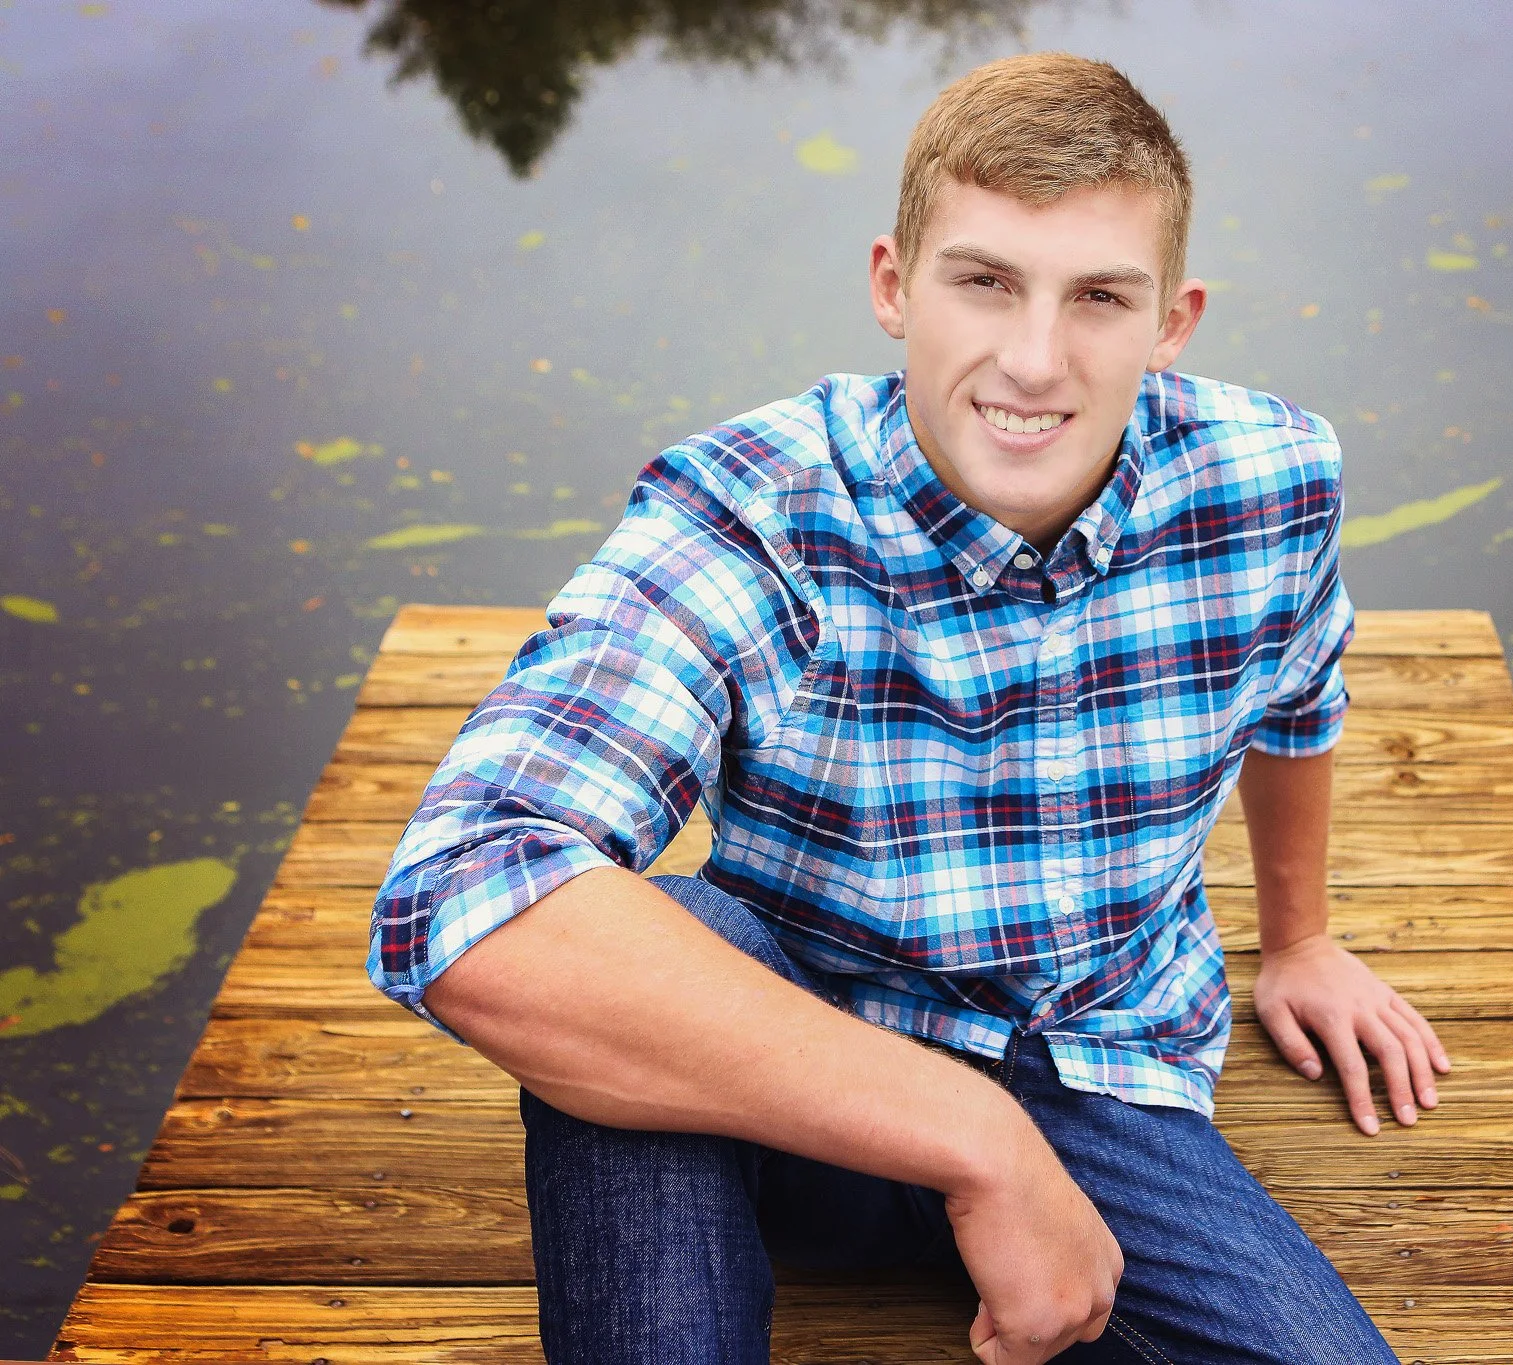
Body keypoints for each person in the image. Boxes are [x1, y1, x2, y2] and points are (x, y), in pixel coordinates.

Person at [368, 51, 1450, 1365]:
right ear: (894, 286)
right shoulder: (754, 512)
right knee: (633, 947)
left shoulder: (1273, 480)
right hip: (797, 1060)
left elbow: (1301, 693)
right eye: (985, 281)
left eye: (1099, 296)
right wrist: (975, 1138)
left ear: (1174, 321)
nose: (1036, 361)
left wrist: (1301, 940)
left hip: (1102, 1070)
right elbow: (463, 886)